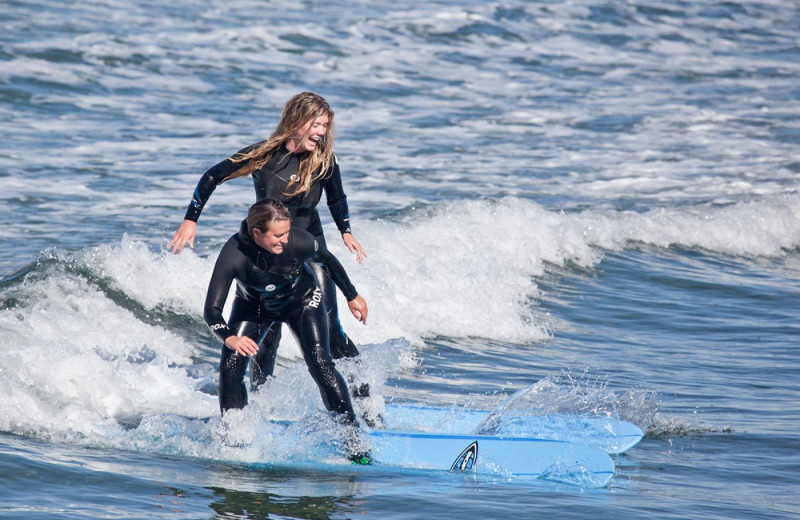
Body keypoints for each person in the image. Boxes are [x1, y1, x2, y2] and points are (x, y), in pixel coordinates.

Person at [170, 91, 365, 363]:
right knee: (268, 334)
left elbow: (337, 197)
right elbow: (213, 175)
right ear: (297, 121)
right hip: (269, 251)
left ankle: (364, 392)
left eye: (325, 126)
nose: (321, 132)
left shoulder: (323, 160)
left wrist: (346, 231)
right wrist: (191, 219)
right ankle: (264, 400)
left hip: (310, 248)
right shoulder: (264, 155)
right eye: (316, 125)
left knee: (330, 328)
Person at [204, 199, 370, 462]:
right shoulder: (233, 254)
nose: (285, 239)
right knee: (230, 367)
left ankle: (354, 443)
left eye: (287, 232)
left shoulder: (298, 241)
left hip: (301, 302)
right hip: (253, 308)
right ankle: (235, 440)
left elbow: (327, 260)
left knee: (320, 365)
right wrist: (231, 338)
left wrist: (352, 295)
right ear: (257, 233)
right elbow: (211, 310)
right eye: (278, 235)